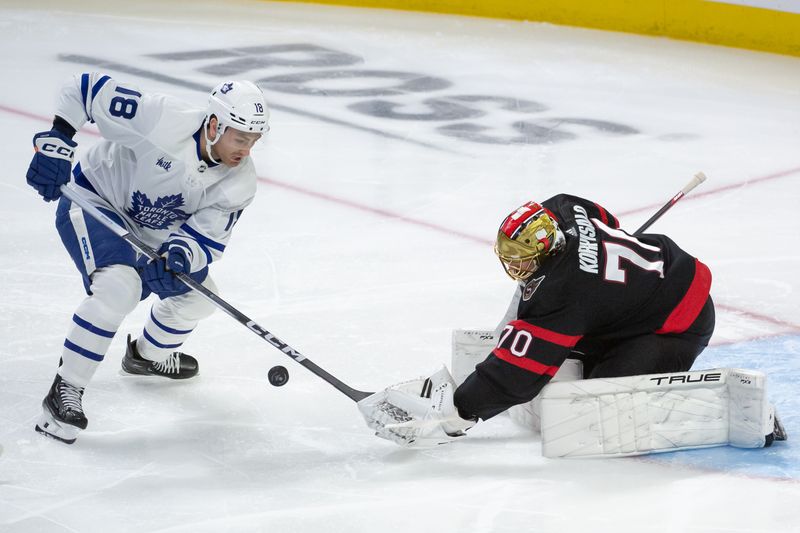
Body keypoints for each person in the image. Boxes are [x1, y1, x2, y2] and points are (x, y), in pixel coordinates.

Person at [359, 194, 722, 448]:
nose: (514, 265)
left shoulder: (565, 292)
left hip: (675, 325)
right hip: (643, 293)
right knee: (575, 347)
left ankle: (720, 413)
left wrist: (459, 414)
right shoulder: (561, 211)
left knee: (601, 409)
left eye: (521, 257)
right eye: (510, 254)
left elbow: (518, 373)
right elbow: (602, 217)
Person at [26, 73, 269, 444]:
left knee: (200, 298)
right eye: (240, 138)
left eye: (254, 140)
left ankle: (146, 355)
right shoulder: (160, 118)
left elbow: (203, 237)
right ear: (215, 125)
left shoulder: (240, 182)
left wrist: (181, 257)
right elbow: (85, 89)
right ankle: (64, 392)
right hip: (96, 204)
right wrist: (58, 139)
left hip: (150, 237)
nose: (246, 150)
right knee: (119, 288)